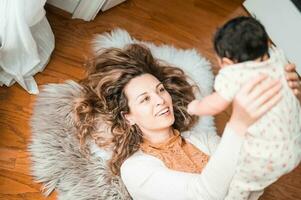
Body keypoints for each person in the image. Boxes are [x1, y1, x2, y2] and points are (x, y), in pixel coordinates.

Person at [74, 43, 301, 200]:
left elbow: (253, 177)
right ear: (128, 116)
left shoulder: (201, 138)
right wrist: (237, 124)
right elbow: (205, 195)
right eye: (145, 99)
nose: (161, 100)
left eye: (160, 90)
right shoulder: (135, 168)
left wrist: (282, 101)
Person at [187, 16, 301, 199]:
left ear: (229, 63)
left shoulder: (235, 75)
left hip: (265, 153)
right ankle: (255, 190)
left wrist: (195, 106)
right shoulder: (276, 55)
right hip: (294, 144)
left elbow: (215, 104)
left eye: (220, 62)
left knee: (239, 181)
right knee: (256, 180)